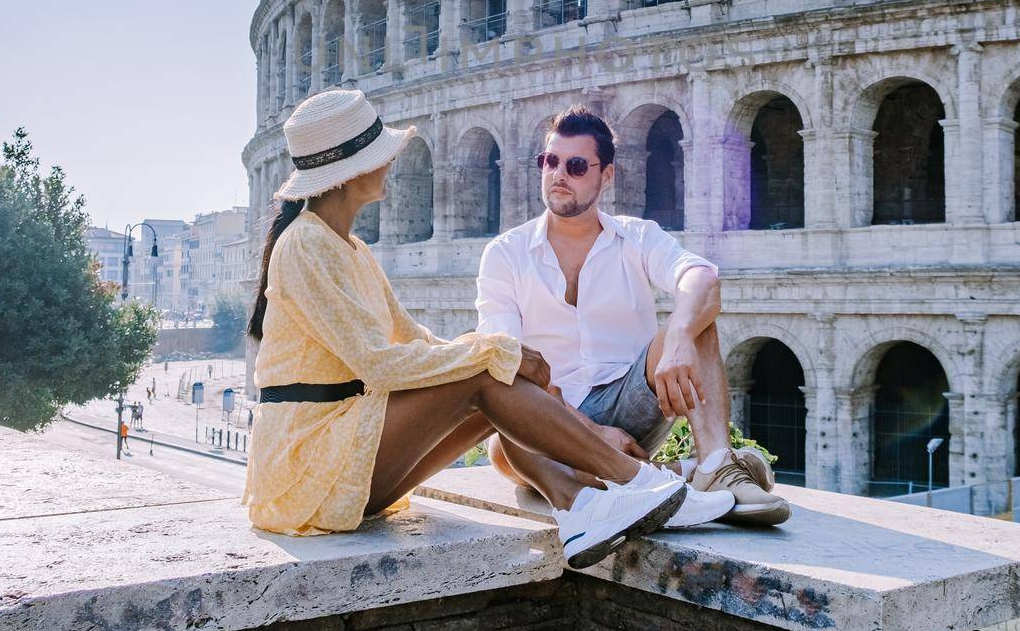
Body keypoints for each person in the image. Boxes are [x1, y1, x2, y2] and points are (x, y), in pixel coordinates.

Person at [242, 88, 691, 569]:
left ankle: (578, 507)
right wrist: (493, 354)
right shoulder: (306, 244)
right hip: (309, 465)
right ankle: (638, 484)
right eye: (382, 155)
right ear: (351, 172)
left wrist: (496, 354)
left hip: (340, 459)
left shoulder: (347, 247)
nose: (391, 163)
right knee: (487, 370)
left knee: (494, 372)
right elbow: (377, 364)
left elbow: (413, 338)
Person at [476, 106, 790, 527]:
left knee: (696, 317)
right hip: (552, 416)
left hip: (634, 399)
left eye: (575, 165)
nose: (558, 174)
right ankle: (679, 477)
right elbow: (505, 361)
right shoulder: (505, 254)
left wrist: (679, 335)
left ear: (606, 175)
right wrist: (590, 433)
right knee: (504, 448)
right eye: (549, 162)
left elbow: (702, 277)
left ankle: (716, 465)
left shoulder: (637, 236)